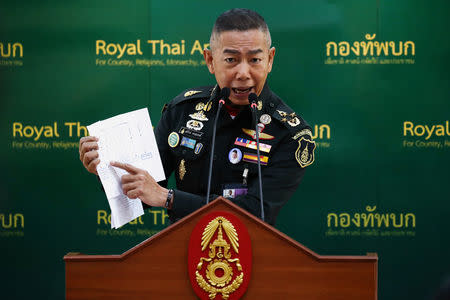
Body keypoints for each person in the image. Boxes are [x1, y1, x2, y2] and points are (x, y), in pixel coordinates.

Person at [79, 8, 315, 226]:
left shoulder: (290, 133)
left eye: (255, 60)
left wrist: (169, 199)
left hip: (248, 257)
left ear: (270, 59)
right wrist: (107, 170)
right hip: (181, 252)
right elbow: (144, 194)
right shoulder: (182, 110)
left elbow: (255, 212)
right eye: (231, 60)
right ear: (210, 60)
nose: (243, 73)